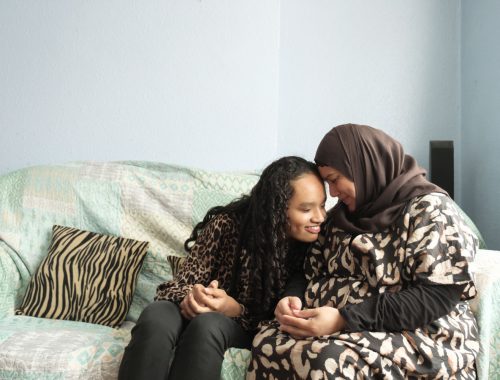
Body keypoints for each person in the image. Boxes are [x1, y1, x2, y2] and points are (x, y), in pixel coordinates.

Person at [248, 124, 479, 379]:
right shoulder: (339, 218)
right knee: (266, 343)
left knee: (327, 358)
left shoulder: (431, 211)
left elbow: (437, 296)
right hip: (340, 327)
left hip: (417, 334)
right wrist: (292, 298)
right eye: (328, 183)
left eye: (335, 180)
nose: (333, 193)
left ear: (362, 166)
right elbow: (307, 272)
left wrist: (343, 319)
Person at [118, 156, 327, 380]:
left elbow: (276, 323)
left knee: (208, 325)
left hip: (242, 327)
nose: (320, 217)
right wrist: (193, 297)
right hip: (198, 312)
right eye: (306, 209)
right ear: (276, 208)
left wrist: (234, 309)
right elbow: (177, 285)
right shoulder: (226, 223)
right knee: (157, 314)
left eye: (323, 205)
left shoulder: (316, 248)